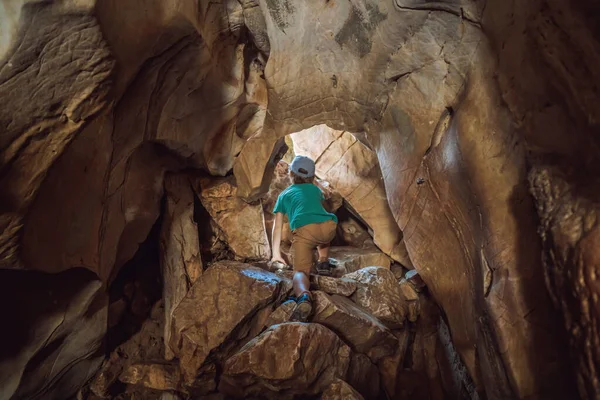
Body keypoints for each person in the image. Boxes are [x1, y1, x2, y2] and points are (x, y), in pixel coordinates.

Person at [271, 155, 338, 321]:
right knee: (321, 227)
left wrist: (276, 254)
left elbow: (277, 227)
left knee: (300, 272)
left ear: (290, 175)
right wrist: (313, 182)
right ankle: (323, 261)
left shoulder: (284, 195)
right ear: (313, 177)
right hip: (329, 227)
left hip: (305, 231)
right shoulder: (315, 190)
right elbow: (323, 195)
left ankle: (303, 296)